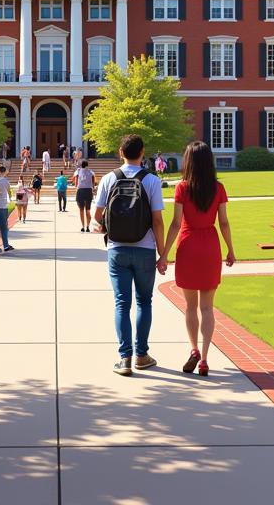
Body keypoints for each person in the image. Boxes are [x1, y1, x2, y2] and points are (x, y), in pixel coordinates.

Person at [93, 134, 166, 376]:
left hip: (117, 248)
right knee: (144, 301)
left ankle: (124, 358)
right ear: (142, 152)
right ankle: (141, 355)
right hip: (145, 249)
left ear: (120, 152)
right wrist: (163, 252)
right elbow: (158, 220)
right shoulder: (152, 181)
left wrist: (103, 226)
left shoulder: (108, 178)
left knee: (121, 303)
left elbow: (97, 216)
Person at [160, 142, 235, 377]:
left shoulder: (182, 188)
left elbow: (175, 223)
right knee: (207, 307)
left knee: (190, 307)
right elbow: (223, 222)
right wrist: (230, 249)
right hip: (210, 245)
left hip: (188, 243)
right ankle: (204, 358)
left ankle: (192, 348)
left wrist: (163, 255)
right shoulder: (218, 188)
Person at [73, 159, 97, 232]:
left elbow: (76, 183)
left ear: (81, 165)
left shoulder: (78, 171)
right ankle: (88, 227)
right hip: (89, 191)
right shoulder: (91, 172)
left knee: (81, 210)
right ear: (87, 165)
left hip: (80, 191)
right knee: (88, 210)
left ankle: (82, 226)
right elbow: (93, 183)